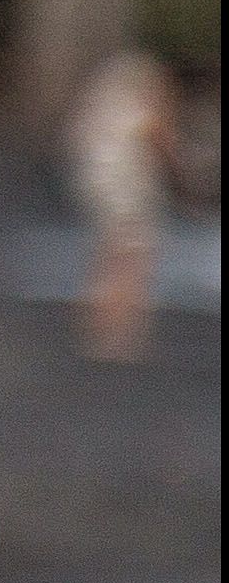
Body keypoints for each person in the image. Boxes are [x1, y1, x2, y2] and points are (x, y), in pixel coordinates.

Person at [65, 49, 179, 366]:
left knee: (109, 251)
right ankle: (117, 331)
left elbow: (77, 142)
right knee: (132, 256)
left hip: (96, 179)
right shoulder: (139, 102)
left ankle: (100, 326)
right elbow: (159, 139)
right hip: (126, 184)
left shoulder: (99, 102)